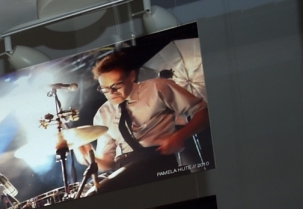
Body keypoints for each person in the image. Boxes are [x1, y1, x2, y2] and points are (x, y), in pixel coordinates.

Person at [84, 51, 210, 188]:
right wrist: (85, 153)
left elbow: (203, 113)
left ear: (131, 76)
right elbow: (107, 163)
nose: (111, 93)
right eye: (105, 89)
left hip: (156, 160)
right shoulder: (103, 113)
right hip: (124, 167)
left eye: (116, 86)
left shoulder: (158, 88)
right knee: (95, 192)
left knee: (103, 191)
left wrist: (180, 136)